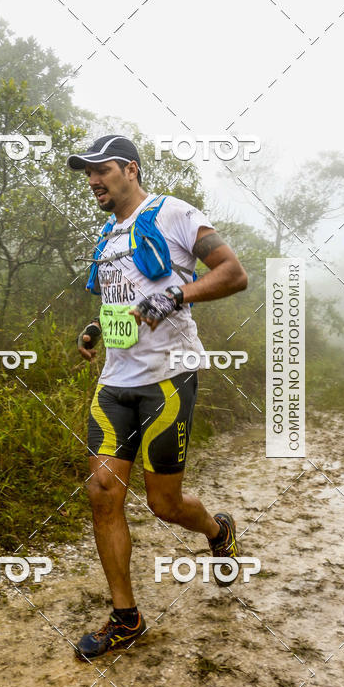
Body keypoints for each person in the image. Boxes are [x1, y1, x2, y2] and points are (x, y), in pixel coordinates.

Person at [68, 134, 248, 659]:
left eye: (101, 170)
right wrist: (94, 331)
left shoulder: (173, 213)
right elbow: (117, 297)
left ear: (130, 168)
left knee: (164, 504)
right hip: (114, 381)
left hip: (169, 376)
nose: (93, 181)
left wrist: (178, 293)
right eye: (87, 174)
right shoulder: (107, 234)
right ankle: (126, 618)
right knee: (103, 493)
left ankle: (217, 529)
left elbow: (233, 274)